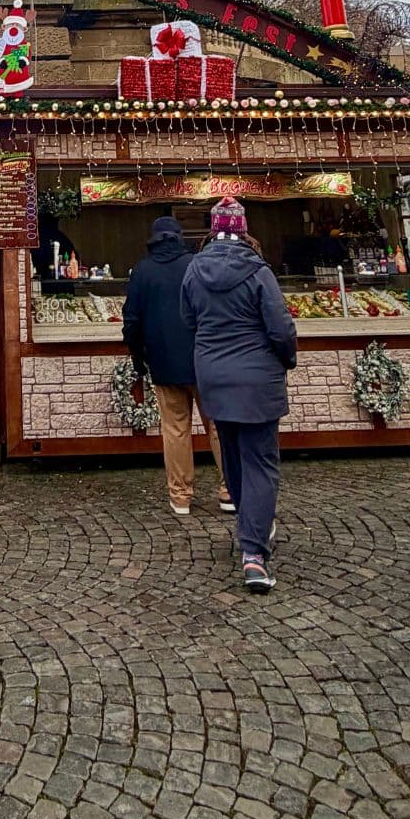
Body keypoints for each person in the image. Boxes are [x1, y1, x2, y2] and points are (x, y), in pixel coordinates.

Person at [181, 197, 297, 594]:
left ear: (213, 229)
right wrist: (287, 359)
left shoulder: (194, 270)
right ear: (244, 228)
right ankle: (253, 553)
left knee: (232, 456)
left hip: (214, 377)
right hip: (256, 380)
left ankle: (253, 525)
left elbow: (188, 320)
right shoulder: (259, 271)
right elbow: (281, 328)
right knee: (261, 463)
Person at [123, 216, 232, 518]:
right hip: (204, 360)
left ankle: (180, 497)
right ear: (179, 237)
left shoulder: (143, 270)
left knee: (175, 430)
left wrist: (137, 355)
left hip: (164, 361)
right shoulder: (197, 264)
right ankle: (230, 491)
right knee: (219, 426)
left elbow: (131, 320)